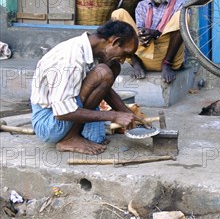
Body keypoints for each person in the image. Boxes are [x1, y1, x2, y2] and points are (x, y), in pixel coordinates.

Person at [31, 20, 145, 155]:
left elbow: (104, 89)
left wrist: (128, 114)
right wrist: (114, 116)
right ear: (114, 42)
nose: (123, 59)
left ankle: (75, 133)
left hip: (67, 114)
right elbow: (62, 113)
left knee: (112, 67)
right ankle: (69, 138)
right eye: (125, 53)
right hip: (49, 123)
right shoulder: (70, 58)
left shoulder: (92, 51)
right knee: (103, 72)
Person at [112, 0, 186, 83]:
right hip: (144, 55)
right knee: (118, 14)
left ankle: (167, 64)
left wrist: (155, 33)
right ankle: (134, 61)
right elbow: (139, 30)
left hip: (168, 56)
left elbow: (178, 29)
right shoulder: (142, 5)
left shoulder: (180, 3)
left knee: (183, 16)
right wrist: (143, 34)